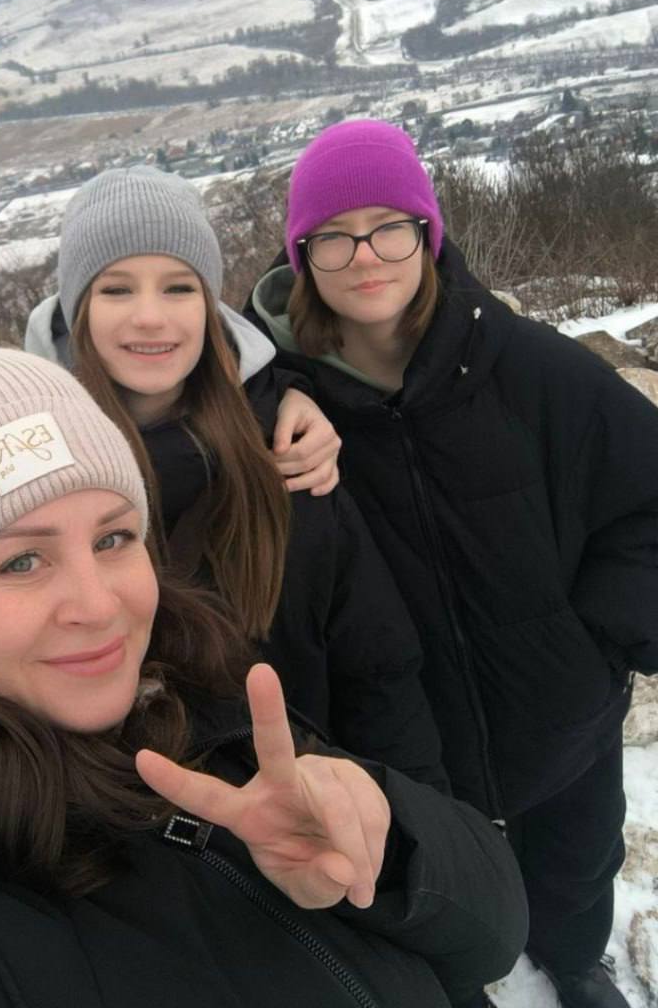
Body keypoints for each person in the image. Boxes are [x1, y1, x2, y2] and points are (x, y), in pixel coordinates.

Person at [0, 347, 527, 1007]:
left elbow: (493, 938)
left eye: (112, 539)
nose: (99, 605)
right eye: (22, 560)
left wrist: (384, 852)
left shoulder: (195, 696)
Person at [245, 118, 658, 1008]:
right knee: (435, 892)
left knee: (578, 859)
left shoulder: (531, 368)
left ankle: (575, 963)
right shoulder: (283, 413)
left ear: (428, 232)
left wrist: (597, 642)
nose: (366, 256)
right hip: (407, 745)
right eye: (334, 235)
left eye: (389, 226)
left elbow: (646, 497)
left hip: (560, 720)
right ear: (301, 255)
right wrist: (273, 394)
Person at [25, 166, 445, 788]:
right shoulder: (31, 477)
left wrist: (415, 818)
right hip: (118, 819)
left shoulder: (284, 451)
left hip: (305, 808)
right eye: (116, 290)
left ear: (210, 305)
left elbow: (376, 665)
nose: (150, 317)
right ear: (76, 310)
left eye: (178, 288)